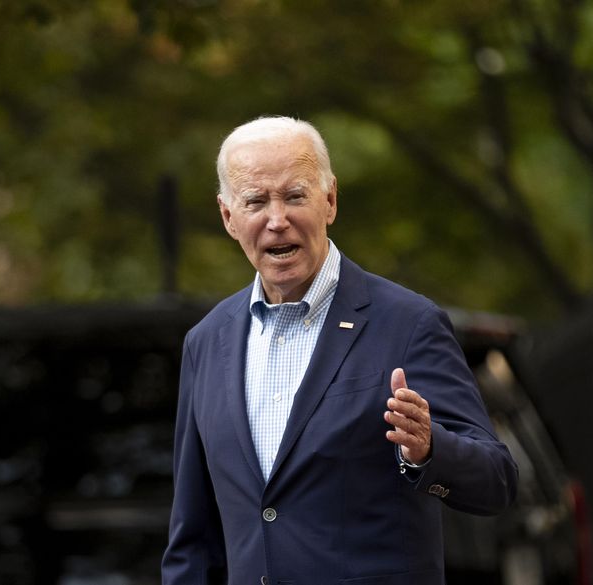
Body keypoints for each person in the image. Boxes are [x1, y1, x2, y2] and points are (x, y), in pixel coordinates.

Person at [162, 116, 518, 585]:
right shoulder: (206, 342)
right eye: (255, 201)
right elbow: (193, 535)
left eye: (295, 196)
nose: (276, 220)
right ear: (228, 217)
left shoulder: (408, 323)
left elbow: (497, 482)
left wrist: (429, 449)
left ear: (329, 200)